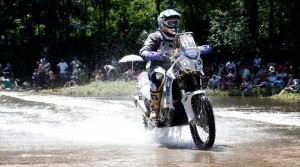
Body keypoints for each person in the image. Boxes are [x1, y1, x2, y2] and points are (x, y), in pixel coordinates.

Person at [139, 9, 181, 119]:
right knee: (158, 78)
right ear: (162, 23)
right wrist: (148, 53)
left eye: (176, 22)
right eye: (170, 23)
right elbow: (144, 49)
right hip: (158, 65)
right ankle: (155, 108)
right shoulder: (155, 36)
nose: (174, 25)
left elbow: (191, 47)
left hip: (176, 65)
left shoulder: (181, 37)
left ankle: (195, 103)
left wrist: (198, 49)